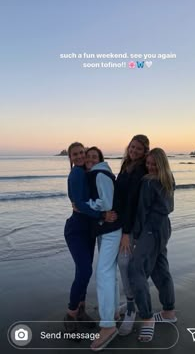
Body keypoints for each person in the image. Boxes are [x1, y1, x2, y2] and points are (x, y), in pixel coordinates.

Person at [64, 142, 116, 332]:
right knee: (85, 271)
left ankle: (81, 310)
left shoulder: (88, 172)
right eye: (74, 154)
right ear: (70, 158)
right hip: (76, 230)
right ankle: (70, 314)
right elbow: (79, 203)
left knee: (83, 271)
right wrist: (102, 215)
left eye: (81, 153)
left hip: (88, 230)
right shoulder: (77, 173)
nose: (79, 157)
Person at [129, 148, 177, 342]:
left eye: (153, 163)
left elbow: (142, 211)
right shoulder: (169, 179)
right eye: (147, 163)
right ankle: (168, 312)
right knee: (160, 268)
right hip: (164, 227)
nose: (149, 166)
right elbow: (168, 207)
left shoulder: (149, 182)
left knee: (136, 270)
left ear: (161, 163)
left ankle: (147, 318)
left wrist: (136, 235)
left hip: (150, 228)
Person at [84, 147, 122, 351]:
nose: (89, 159)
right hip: (106, 230)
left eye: (93, 156)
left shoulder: (99, 173)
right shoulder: (99, 173)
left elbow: (106, 203)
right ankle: (114, 312)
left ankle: (108, 326)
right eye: (87, 156)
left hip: (110, 229)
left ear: (99, 159)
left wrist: (86, 203)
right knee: (109, 272)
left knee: (103, 273)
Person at [112, 134, 150, 336]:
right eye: (132, 147)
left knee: (124, 263)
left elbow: (133, 202)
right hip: (119, 223)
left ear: (145, 152)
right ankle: (129, 303)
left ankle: (131, 308)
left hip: (131, 226)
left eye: (138, 149)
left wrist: (127, 232)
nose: (134, 151)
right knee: (121, 263)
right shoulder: (126, 165)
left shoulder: (140, 170)